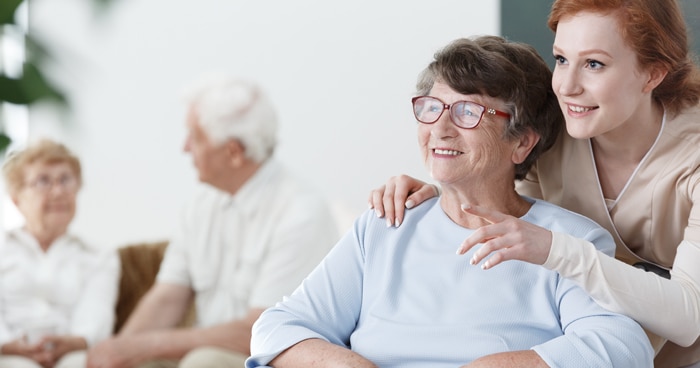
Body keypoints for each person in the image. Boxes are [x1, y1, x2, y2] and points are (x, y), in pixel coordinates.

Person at [246, 36, 653, 368]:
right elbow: (277, 327)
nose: (439, 128)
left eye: (467, 112)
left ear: (522, 142)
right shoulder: (387, 223)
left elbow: (620, 346)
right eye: (431, 108)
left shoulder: (568, 239)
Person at [367, 1, 700, 367]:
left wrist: (556, 249)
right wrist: (443, 190)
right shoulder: (555, 130)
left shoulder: (691, 158)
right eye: (561, 59)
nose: (568, 86)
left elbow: (688, 319)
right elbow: (509, 216)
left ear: (652, 74)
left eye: (594, 64)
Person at [86, 77, 339, 368]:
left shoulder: (302, 212)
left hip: (270, 358)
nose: (184, 148)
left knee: (201, 362)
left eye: (195, 137)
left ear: (233, 152)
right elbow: (167, 296)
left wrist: (143, 345)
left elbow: (261, 332)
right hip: (207, 355)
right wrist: (117, 351)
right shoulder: (201, 205)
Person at [0, 139, 120, 368]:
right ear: (17, 199)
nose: (58, 191)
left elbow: (96, 317)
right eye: (43, 181)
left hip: (71, 354)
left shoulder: (99, 256)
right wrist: (7, 345)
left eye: (66, 180)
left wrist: (74, 342)